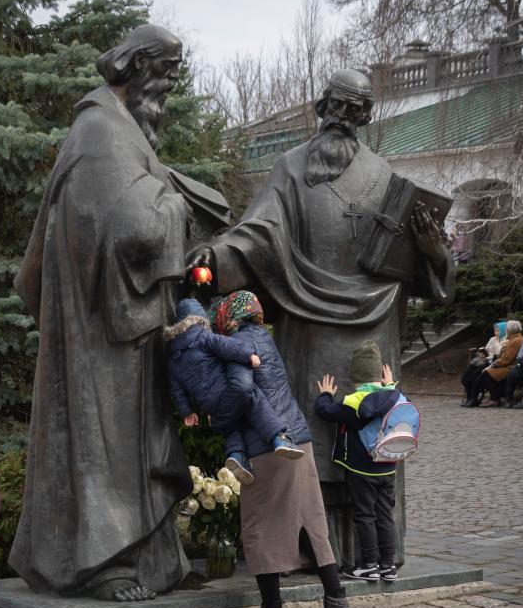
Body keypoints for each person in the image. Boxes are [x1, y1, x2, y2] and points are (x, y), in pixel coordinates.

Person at [189, 69, 454, 570]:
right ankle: (307, 548)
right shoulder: (290, 169)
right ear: (321, 107)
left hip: (375, 331)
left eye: (355, 110)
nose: (344, 117)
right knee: (307, 433)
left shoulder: (386, 177)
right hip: (307, 328)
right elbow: (256, 234)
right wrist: (215, 256)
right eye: (337, 106)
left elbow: (422, 269)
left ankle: (374, 552)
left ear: (366, 117)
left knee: (369, 438)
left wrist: (435, 253)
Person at [10, 25, 195, 602]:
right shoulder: (100, 131)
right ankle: (104, 563)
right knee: (106, 446)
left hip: (125, 328)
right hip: (103, 336)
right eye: (165, 71)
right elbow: (131, 229)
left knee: (131, 448)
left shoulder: (118, 131)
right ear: (137, 65)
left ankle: (143, 558)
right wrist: (181, 204)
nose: (169, 84)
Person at [209, 292, 353, 608]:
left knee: (260, 524)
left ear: (229, 317)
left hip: (267, 444)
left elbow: (242, 391)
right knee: (310, 521)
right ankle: (336, 601)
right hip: (297, 438)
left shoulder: (239, 344)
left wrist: (219, 418)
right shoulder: (264, 339)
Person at [164, 298, 301, 485]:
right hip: (226, 388)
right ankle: (279, 439)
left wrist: (187, 412)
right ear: (199, 320)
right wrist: (248, 356)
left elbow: (176, 390)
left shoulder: (173, 359)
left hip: (209, 404)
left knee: (230, 426)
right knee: (256, 404)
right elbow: (227, 347)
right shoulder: (203, 337)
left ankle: (236, 455)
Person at [314, 340, 402, 583]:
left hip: (361, 470)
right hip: (388, 466)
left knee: (364, 516)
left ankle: (369, 565)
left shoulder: (352, 402)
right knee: (385, 515)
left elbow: (324, 411)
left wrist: (325, 394)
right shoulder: (394, 396)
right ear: (380, 374)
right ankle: (388, 566)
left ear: (355, 376)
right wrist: (390, 384)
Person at [473, 320, 523, 407]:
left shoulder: (516, 340)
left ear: (510, 330)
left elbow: (507, 359)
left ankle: (494, 399)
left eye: (507, 329)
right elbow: (505, 356)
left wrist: (492, 365)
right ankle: (493, 398)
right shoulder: (513, 339)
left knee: (486, 375)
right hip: (506, 365)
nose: (505, 331)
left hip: (510, 367)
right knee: (484, 374)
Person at [460, 321, 506, 406]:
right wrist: (480, 353)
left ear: (504, 331)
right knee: (468, 372)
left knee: (477, 374)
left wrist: (496, 342)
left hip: (495, 363)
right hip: (486, 361)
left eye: (498, 331)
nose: (496, 333)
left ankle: (474, 398)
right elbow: (486, 348)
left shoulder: (505, 341)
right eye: (495, 331)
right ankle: (469, 397)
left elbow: (500, 353)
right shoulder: (492, 339)